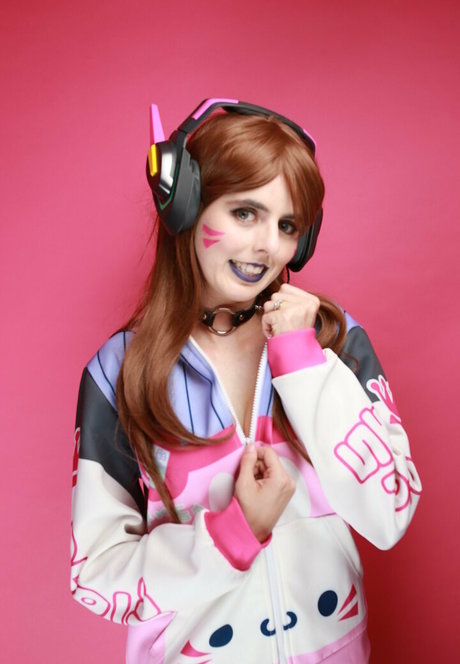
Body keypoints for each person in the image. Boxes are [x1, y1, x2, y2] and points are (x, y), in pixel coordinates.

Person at [71, 99, 421, 663]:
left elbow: (390, 514)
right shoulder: (119, 373)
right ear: (186, 206)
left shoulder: (333, 338)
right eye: (244, 213)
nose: (268, 246)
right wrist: (233, 533)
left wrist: (302, 362)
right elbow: (98, 572)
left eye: (287, 226)